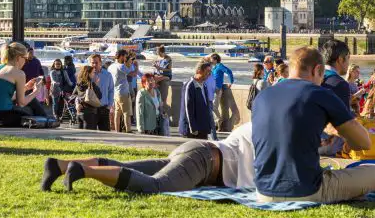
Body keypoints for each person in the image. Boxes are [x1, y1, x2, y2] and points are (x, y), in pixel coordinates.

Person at [252, 46, 375, 203]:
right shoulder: (320, 93)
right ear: (317, 70)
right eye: (321, 76)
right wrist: (335, 129)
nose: (321, 81)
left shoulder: (262, 96)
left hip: (262, 192)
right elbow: (363, 143)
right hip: (307, 191)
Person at [42, 121, 255, 193]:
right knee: (157, 185)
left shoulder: (256, 125)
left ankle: (58, 165)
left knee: (129, 166)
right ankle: (83, 170)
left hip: (197, 151)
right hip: (205, 161)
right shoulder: (269, 134)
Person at [0, 42, 45, 125]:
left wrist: (25, 88)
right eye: (25, 59)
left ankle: (46, 119)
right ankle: (47, 121)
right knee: (31, 108)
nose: (26, 62)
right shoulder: (19, 73)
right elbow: (21, 103)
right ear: (18, 58)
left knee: (27, 95)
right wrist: (36, 91)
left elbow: (2, 96)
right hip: (0, 115)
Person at [178, 61, 213, 139]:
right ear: (198, 71)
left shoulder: (204, 85)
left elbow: (206, 107)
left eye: (210, 72)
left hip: (203, 129)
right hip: (192, 131)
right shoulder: (189, 86)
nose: (209, 74)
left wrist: (208, 126)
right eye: (207, 71)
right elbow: (187, 108)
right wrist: (192, 128)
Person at [109, 50, 137, 133]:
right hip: (123, 92)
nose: (125, 58)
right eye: (125, 56)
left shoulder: (111, 66)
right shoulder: (121, 66)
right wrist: (135, 65)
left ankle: (117, 130)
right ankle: (128, 130)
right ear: (121, 56)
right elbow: (133, 74)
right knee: (126, 112)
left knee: (117, 113)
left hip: (115, 92)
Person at [319, 39, 351, 110]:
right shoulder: (340, 84)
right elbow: (344, 119)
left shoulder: (313, 77)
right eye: (348, 58)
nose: (349, 63)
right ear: (340, 59)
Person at [209, 53, 238, 131]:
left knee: (214, 108)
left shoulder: (220, 66)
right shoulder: (214, 67)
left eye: (211, 59)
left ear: (215, 59)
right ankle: (215, 122)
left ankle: (218, 120)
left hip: (217, 89)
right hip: (212, 89)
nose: (210, 61)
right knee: (211, 107)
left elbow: (229, 72)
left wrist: (231, 82)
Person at [73, 65, 103, 130]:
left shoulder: (79, 84)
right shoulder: (91, 85)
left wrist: (78, 103)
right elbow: (100, 96)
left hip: (79, 112)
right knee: (90, 135)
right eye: (93, 72)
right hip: (89, 112)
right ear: (88, 73)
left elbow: (73, 95)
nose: (94, 74)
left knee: (81, 136)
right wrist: (96, 85)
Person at [90, 54, 113, 131]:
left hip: (104, 108)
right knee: (91, 135)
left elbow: (111, 90)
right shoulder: (87, 75)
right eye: (92, 63)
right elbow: (80, 90)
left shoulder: (107, 75)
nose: (94, 65)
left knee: (105, 134)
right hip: (91, 109)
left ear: (100, 63)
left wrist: (110, 105)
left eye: (96, 63)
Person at [152, 45, 173, 117]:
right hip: (158, 75)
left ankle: (162, 113)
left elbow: (169, 69)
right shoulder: (157, 58)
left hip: (165, 76)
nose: (157, 53)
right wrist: (155, 66)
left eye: (158, 52)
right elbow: (156, 68)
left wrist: (160, 68)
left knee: (163, 98)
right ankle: (157, 112)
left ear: (162, 52)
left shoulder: (168, 58)